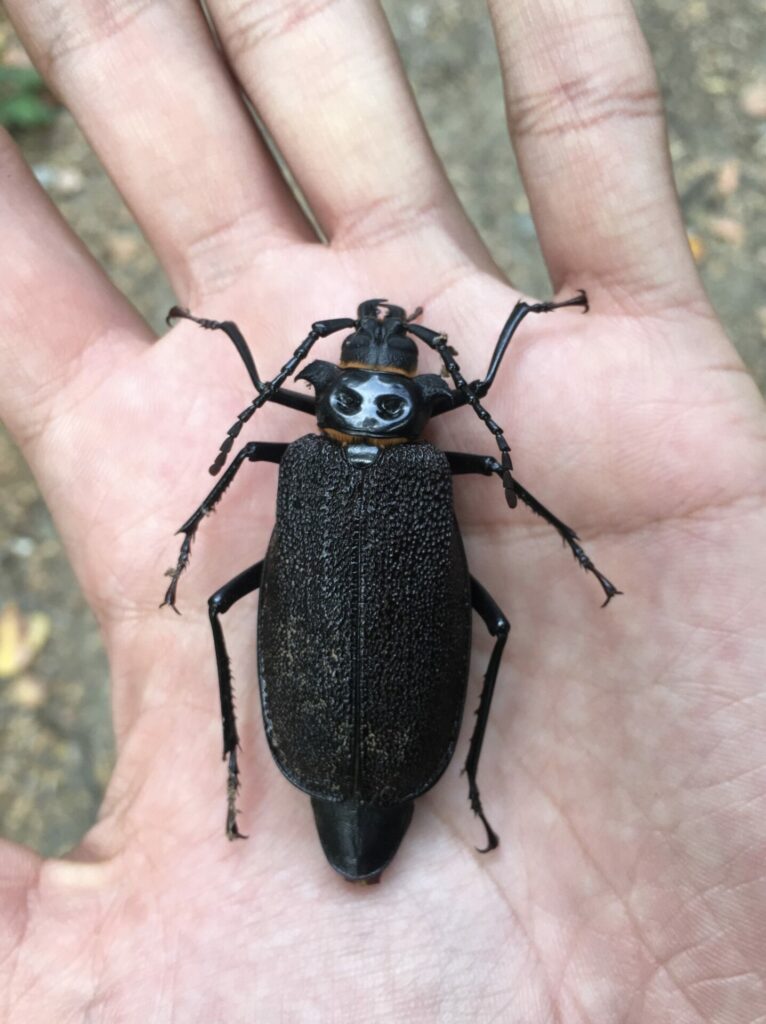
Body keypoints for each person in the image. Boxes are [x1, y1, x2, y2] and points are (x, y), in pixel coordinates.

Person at [1, 0, 764, 1018]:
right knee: (491, 620)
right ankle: (308, 767)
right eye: (374, 357)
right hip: (363, 742)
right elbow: (480, 399)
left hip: (344, 739)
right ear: (413, 395)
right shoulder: (427, 455)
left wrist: (223, 422)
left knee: (241, 601)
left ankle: (256, 761)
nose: (376, 344)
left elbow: (269, 426)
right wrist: (520, 363)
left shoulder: (301, 452)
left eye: (383, 355)